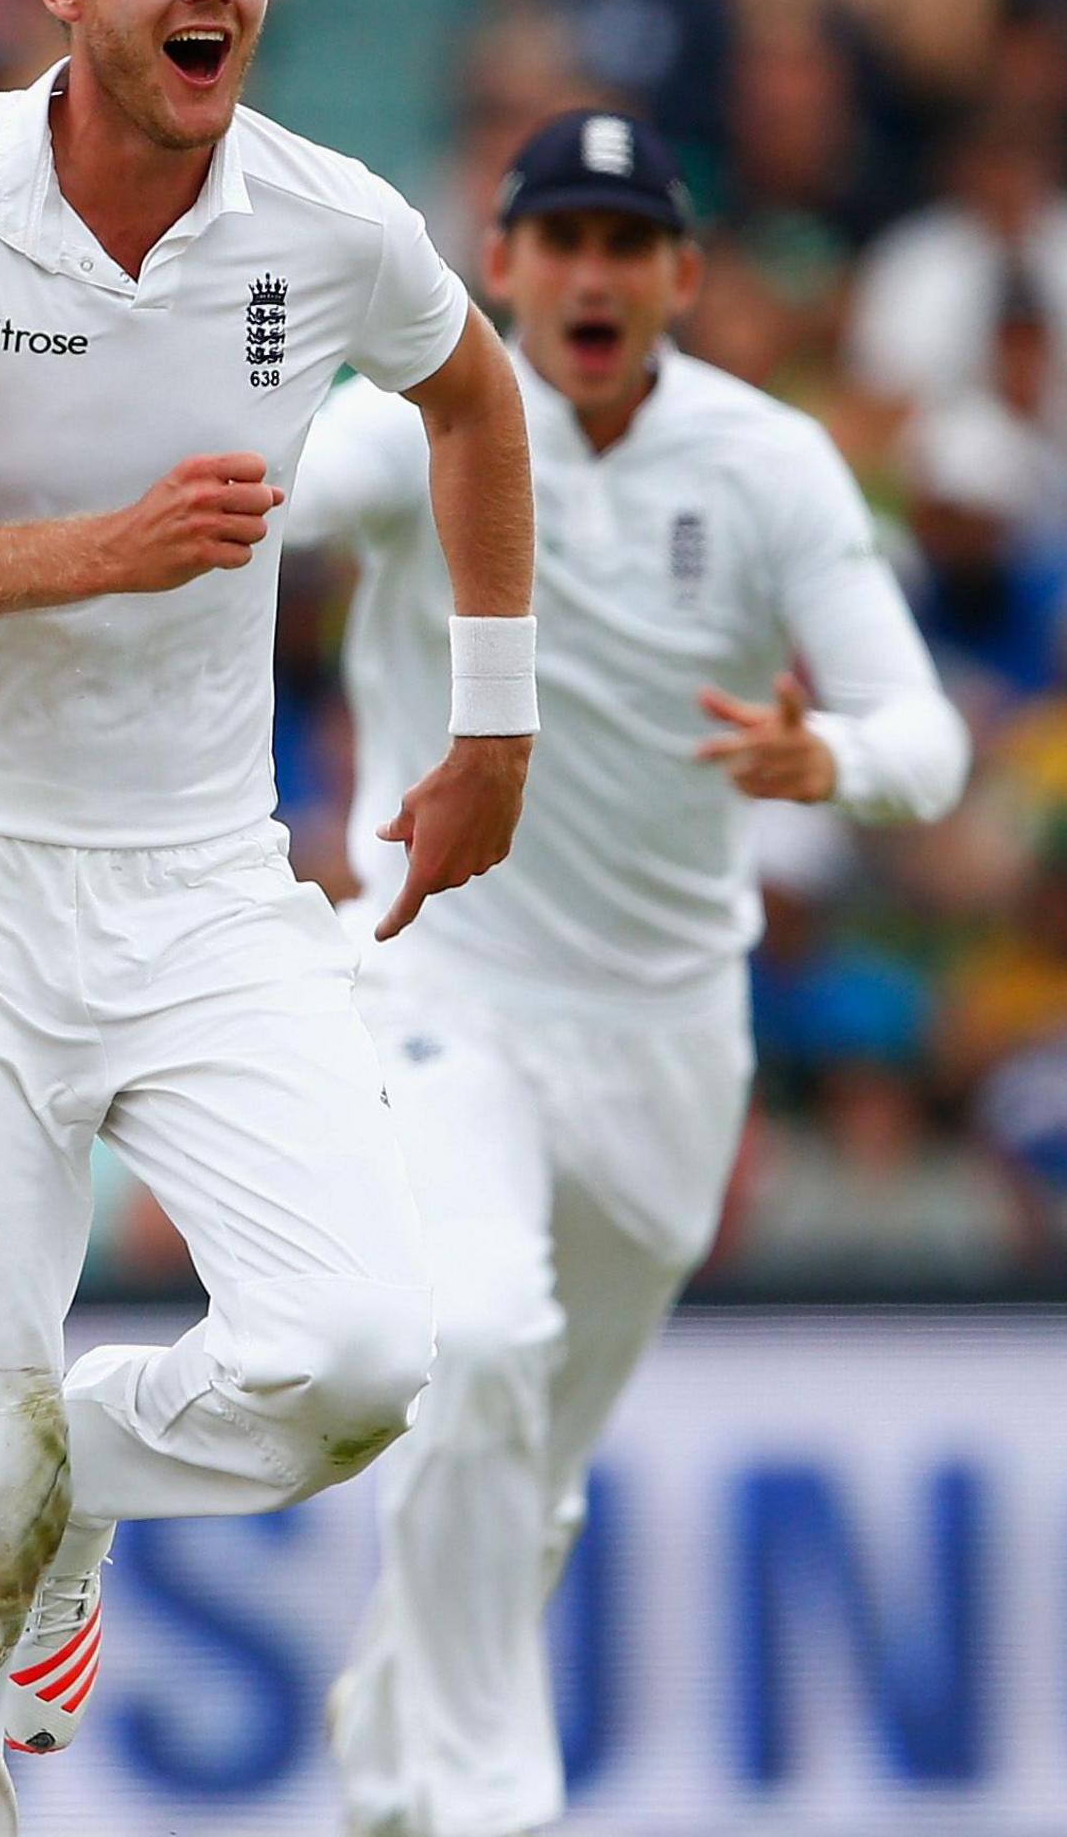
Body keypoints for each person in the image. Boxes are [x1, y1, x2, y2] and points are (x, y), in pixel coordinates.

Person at [0, 0, 540, 1826]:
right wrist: (101, 551)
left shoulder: (327, 220)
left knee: (356, 1360)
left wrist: (496, 725)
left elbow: (475, 398)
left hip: (200, 879)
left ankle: (64, 1471)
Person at [295, 107, 968, 1837]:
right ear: (501, 263)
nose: (592, 277)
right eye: (562, 241)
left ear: (684, 275)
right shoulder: (421, 424)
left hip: (668, 1036)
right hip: (442, 983)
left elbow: (926, 740)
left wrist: (835, 761)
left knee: (528, 1465)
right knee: (477, 1344)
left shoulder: (767, 465)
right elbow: (271, 496)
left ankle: (396, 1752)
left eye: (627, 245)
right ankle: (481, 1800)